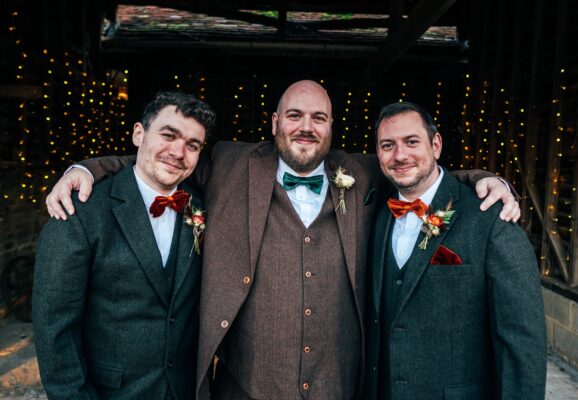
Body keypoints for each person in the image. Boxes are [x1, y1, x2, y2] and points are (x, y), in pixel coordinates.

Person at [45, 80, 520, 399]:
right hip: (243, 387)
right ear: (274, 123)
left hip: (340, 386)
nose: (306, 127)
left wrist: (487, 180)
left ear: (333, 128)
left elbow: (419, 171)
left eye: (319, 117)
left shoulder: (363, 171)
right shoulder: (228, 164)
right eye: (294, 115)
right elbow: (161, 163)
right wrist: (84, 168)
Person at [33, 91, 216, 400]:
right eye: (168, 135)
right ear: (138, 134)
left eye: (192, 145)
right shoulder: (81, 210)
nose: (178, 151)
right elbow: (54, 328)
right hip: (111, 393)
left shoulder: (200, 205)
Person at [364, 102, 546, 400]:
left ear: (436, 145)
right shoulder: (374, 213)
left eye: (412, 142)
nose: (400, 155)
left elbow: (521, 338)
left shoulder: (490, 217)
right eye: (388, 145)